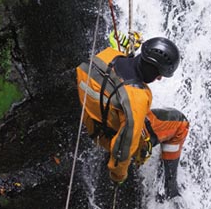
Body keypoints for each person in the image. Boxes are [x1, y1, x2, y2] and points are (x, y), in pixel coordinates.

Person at [76, 32, 188, 199]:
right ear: (152, 67)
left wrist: (127, 53)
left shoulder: (106, 55)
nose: (158, 79)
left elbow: (116, 73)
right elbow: (125, 146)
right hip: (111, 135)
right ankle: (170, 188)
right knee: (180, 124)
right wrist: (118, 176)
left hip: (94, 123)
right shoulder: (137, 98)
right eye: (159, 74)